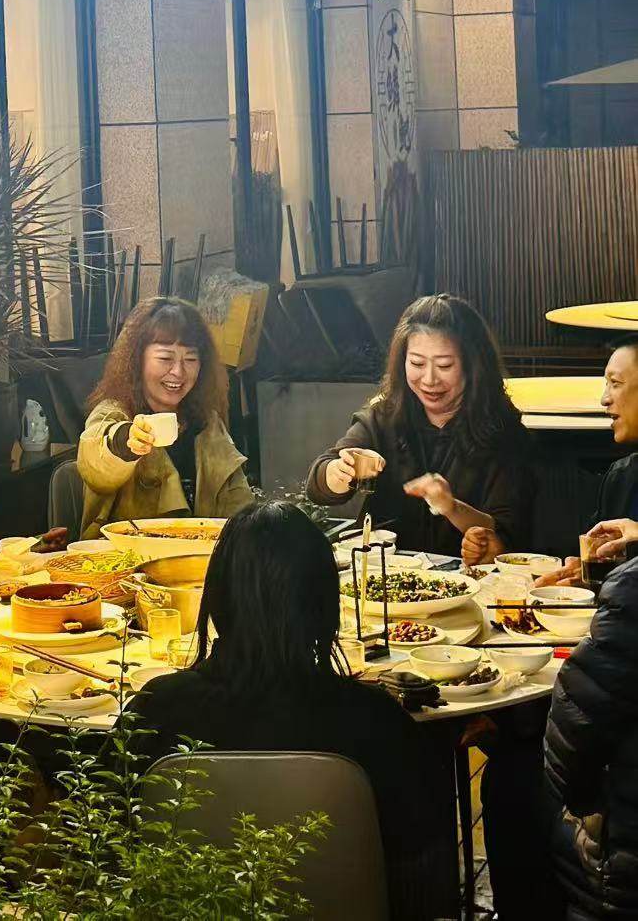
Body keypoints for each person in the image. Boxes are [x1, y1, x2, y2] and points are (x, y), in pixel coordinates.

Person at [122, 501, 457, 920]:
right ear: (324, 605)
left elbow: (106, 853)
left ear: (218, 598)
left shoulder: (156, 710)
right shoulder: (376, 723)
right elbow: (424, 876)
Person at [306, 293, 535, 564]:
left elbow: (507, 533)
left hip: (466, 577)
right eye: (416, 363)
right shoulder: (384, 417)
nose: (429, 379)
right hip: (386, 573)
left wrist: (451, 507)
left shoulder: (503, 432)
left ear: (473, 365)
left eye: (444, 365)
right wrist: (338, 473)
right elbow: (318, 484)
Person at [76, 296, 252, 539]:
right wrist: (127, 440)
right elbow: (95, 465)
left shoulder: (207, 424)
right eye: (165, 359)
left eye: (190, 359)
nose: (178, 372)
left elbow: (239, 503)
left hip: (202, 557)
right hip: (127, 558)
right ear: (136, 360)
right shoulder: (113, 413)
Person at [544, 552, 638, 918]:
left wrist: (584, 808)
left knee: (510, 783)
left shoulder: (633, 589)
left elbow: (574, 736)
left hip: (623, 861)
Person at [539, 342, 638, 590]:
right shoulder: (620, 476)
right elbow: (610, 573)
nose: (604, 399)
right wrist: (585, 578)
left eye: (615, 383)